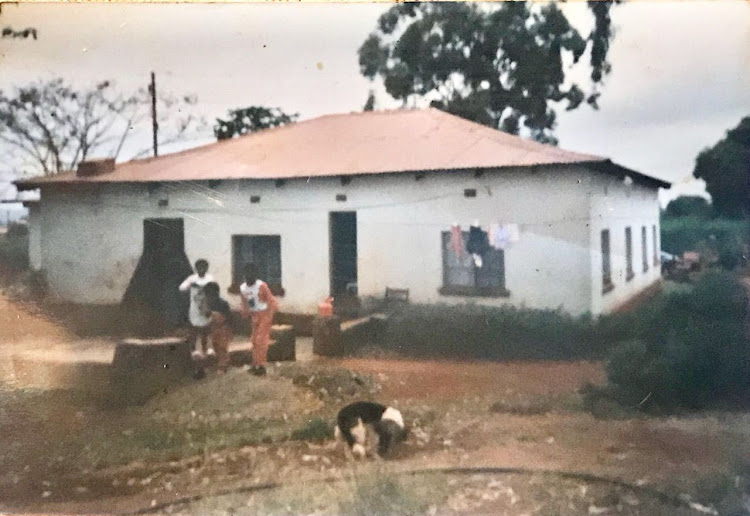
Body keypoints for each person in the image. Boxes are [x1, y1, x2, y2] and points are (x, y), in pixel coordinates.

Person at [239, 263, 278, 376]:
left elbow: (271, 300)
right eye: (248, 274)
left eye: (252, 274)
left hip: (265, 314)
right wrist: (245, 313)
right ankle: (255, 363)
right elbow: (244, 303)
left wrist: (271, 313)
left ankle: (261, 366)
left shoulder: (261, 286)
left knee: (261, 340)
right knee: (254, 340)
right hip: (254, 315)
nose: (250, 277)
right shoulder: (242, 288)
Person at [179, 259, 215, 358]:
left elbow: (212, 290)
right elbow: (181, 288)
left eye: (204, 267)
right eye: (199, 268)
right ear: (196, 268)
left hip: (205, 306)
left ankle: (206, 349)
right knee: (194, 329)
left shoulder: (210, 278)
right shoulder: (192, 278)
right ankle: (194, 350)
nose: (201, 270)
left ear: (207, 268)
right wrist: (191, 284)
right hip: (195, 307)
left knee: (206, 329)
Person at [203, 282, 232, 374]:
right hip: (209, 328)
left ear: (217, 293)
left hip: (222, 328)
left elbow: (228, 318)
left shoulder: (223, 304)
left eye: (212, 294)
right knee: (209, 346)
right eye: (208, 294)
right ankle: (209, 364)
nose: (210, 297)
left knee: (222, 348)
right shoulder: (205, 304)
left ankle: (223, 366)